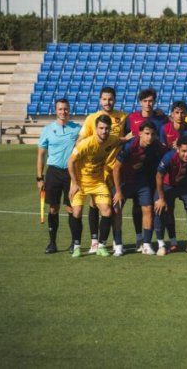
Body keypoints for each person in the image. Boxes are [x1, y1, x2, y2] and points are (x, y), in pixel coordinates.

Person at [78, 86, 128, 255]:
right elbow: (83, 139)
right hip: (97, 170)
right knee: (94, 204)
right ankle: (94, 241)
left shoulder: (122, 117)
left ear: (115, 99)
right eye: (105, 99)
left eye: (111, 99)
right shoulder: (92, 118)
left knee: (114, 206)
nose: (108, 102)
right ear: (100, 100)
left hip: (115, 169)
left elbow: (131, 134)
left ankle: (114, 241)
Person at [67, 115, 121, 258]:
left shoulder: (111, 140)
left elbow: (120, 141)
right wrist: (74, 183)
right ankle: (77, 246)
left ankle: (101, 246)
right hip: (80, 182)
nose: (104, 131)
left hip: (98, 182)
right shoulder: (85, 144)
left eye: (107, 129)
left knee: (107, 211)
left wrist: (130, 138)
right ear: (96, 129)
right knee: (76, 212)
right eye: (101, 128)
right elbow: (70, 162)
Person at [112, 121, 167, 256]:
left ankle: (146, 244)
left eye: (153, 134)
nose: (150, 137)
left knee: (148, 208)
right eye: (147, 134)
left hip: (141, 181)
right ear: (140, 133)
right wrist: (118, 191)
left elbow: (168, 154)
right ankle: (118, 244)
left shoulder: (156, 145)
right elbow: (116, 168)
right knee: (116, 209)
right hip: (124, 181)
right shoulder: (130, 145)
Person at [36, 98, 82, 254]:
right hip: (53, 172)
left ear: (69, 110)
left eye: (66, 109)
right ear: (56, 110)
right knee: (53, 208)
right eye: (60, 109)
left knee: (72, 208)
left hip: (71, 173)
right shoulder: (47, 130)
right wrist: (39, 178)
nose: (63, 112)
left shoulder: (77, 129)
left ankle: (73, 244)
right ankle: (52, 243)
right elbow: (41, 155)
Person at [125, 88, 168, 250]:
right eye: (145, 101)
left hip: (154, 168)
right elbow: (126, 140)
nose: (148, 104)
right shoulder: (132, 118)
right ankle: (139, 237)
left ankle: (154, 239)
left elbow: (166, 137)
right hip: (136, 170)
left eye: (151, 101)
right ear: (140, 102)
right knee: (138, 205)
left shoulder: (161, 118)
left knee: (152, 204)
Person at [154, 136, 187, 256]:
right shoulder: (169, 157)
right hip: (168, 186)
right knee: (159, 207)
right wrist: (161, 199)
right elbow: (159, 176)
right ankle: (161, 245)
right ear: (178, 149)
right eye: (183, 151)